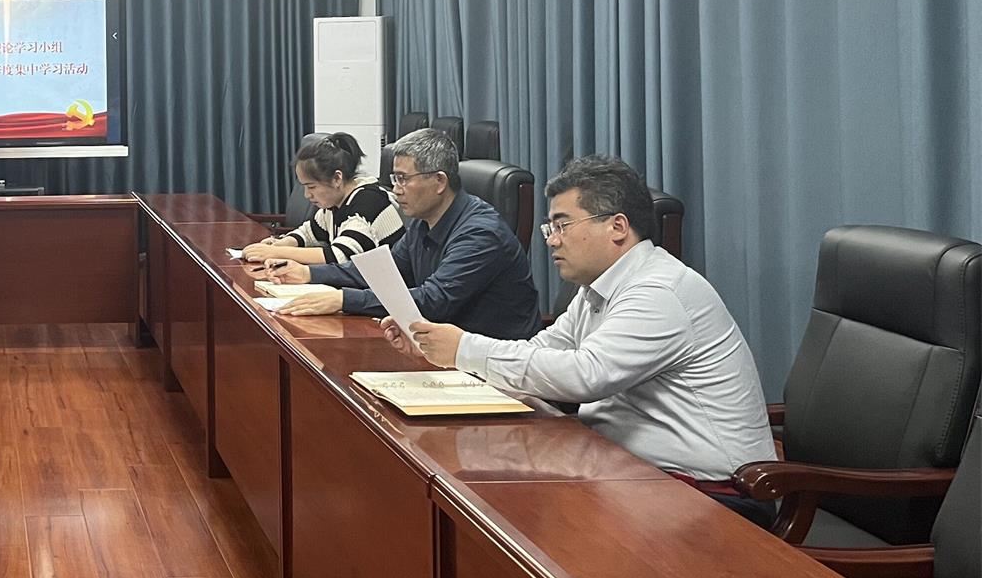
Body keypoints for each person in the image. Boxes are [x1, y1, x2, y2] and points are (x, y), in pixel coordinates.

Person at [399, 155, 775, 508]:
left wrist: (465, 349)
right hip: (624, 467)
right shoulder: (598, 288)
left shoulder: (659, 290)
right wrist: (440, 349)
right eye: (550, 227)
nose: (551, 239)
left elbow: (586, 375)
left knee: (520, 511)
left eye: (562, 225)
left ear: (617, 227)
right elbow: (545, 349)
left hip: (710, 492)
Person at [267, 127, 540, 337]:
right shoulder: (423, 223)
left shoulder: (481, 234)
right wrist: (309, 274)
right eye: (394, 179)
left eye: (402, 179)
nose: (395, 190)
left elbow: (433, 300)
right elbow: (382, 272)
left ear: (439, 181)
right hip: (443, 348)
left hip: (494, 363)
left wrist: (342, 299)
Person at [243, 132, 402, 268]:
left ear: (337, 178)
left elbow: (339, 256)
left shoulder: (368, 201)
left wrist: (276, 252)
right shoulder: (336, 203)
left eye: (311, 187)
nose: (307, 195)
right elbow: (309, 232)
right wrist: (282, 243)